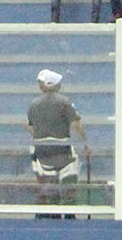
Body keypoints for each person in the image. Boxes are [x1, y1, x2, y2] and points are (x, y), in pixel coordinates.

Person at [27, 69, 88, 213]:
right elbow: (76, 124)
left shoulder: (34, 105)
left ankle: (51, 211)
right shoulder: (65, 102)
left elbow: (31, 127)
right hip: (63, 152)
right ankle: (69, 210)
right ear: (57, 85)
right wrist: (85, 142)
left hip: (42, 152)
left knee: (49, 187)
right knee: (69, 183)